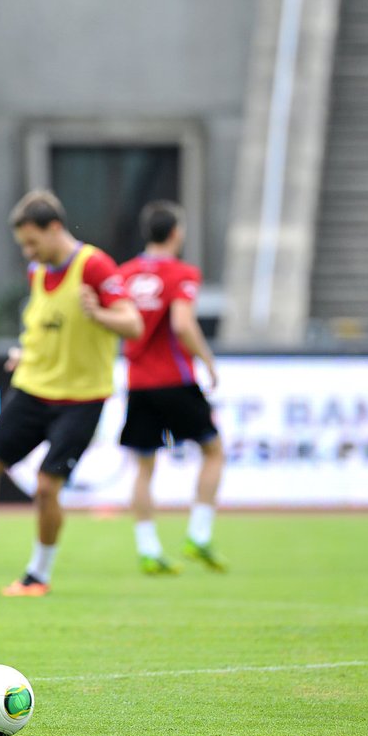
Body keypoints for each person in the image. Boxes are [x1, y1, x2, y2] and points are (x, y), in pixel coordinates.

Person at [0, 190, 143, 596]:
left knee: (45, 487)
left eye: (31, 242)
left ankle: (38, 574)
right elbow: (48, 324)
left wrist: (101, 314)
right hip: (34, 389)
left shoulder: (94, 265)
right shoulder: (38, 272)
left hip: (82, 399)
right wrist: (26, 352)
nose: (27, 251)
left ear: (55, 228)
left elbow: (133, 324)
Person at [117, 200, 226, 574]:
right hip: (175, 380)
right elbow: (182, 324)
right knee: (213, 451)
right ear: (176, 232)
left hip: (138, 382)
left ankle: (148, 549)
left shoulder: (125, 274)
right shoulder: (182, 273)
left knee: (144, 467)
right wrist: (207, 361)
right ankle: (198, 535)